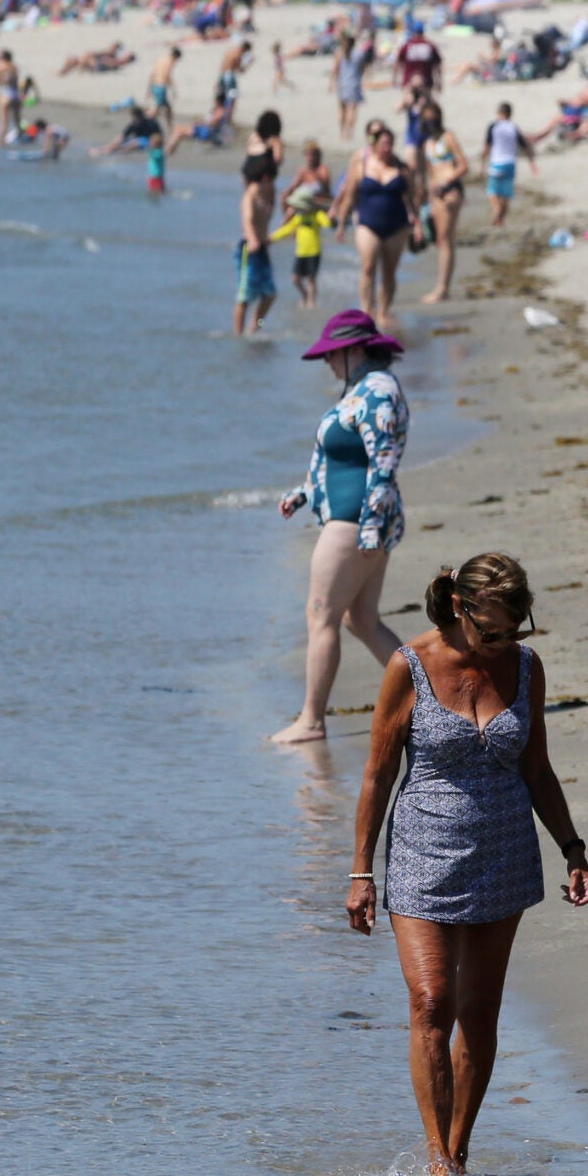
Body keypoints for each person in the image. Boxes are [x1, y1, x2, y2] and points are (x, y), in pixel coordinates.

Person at [346, 553, 588, 1176]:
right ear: (462, 607)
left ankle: (458, 1152)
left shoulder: (525, 667)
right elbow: (377, 775)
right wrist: (360, 872)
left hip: (504, 855)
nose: (504, 643)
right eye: (493, 631)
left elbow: (536, 767)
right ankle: (437, 1159)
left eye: (515, 630)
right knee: (433, 1001)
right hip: (422, 857)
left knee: (480, 1014)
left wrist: (572, 847)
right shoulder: (410, 666)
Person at [273, 309, 409, 744]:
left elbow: (383, 461)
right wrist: (305, 493)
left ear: (353, 349)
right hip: (355, 518)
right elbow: (340, 462)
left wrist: (369, 529)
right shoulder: (359, 389)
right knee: (361, 619)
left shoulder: (378, 392)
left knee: (321, 616)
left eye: (332, 355)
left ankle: (311, 721)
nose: (328, 363)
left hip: (355, 523)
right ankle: (430, 698)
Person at [334, 121, 418, 327]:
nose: (386, 147)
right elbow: (350, 193)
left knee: (389, 270)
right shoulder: (361, 164)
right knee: (368, 266)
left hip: (396, 225)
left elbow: (413, 197)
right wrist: (341, 222)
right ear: (375, 144)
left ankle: (383, 311)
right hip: (367, 223)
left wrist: (417, 225)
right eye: (383, 143)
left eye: (390, 143)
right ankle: (366, 309)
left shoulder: (402, 168)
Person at [417, 104, 468, 303]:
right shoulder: (427, 142)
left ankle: (442, 289)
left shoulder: (448, 137)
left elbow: (463, 165)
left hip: (450, 189)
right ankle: (441, 286)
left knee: (445, 239)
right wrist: (428, 195)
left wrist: (446, 182)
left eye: (433, 119)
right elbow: (430, 172)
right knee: (440, 239)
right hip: (436, 192)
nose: (430, 123)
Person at [234, 146, 280, 337]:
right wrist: (253, 239)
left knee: (269, 294)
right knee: (244, 296)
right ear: (262, 176)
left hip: (262, 249)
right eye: (268, 177)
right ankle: (238, 334)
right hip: (249, 250)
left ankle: (256, 325)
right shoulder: (250, 194)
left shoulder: (270, 191)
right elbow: (247, 219)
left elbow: (270, 211)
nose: (270, 181)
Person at [272, 182, 332, 307]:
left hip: (314, 251)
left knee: (311, 279)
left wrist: (329, 215)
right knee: (295, 278)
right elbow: (287, 229)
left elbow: (327, 223)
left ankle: (311, 302)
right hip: (300, 252)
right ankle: (304, 295)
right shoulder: (298, 218)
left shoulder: (317, 215)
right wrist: (272, 237)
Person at [483, 102, 538, 226]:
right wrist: (532, 163)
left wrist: (483, 164)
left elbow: (487, 147)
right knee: (506, 193)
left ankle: (496, 210)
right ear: (510, 114)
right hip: (510, 163)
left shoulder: (493, 126)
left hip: (496, 162)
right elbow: (525, 147)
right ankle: (501, 221)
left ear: (498, 113)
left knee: (492, 191)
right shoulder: (513, 127)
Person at [334, 28, 367, 141]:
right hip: (354, 83)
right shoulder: (359, 53)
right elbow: (362, 69)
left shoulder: (339, 52)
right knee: (352, 109)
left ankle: (342, 132)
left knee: (342, 109)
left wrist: (333, 83)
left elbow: (335, 69)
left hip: (342, 83)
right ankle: (349, 133)